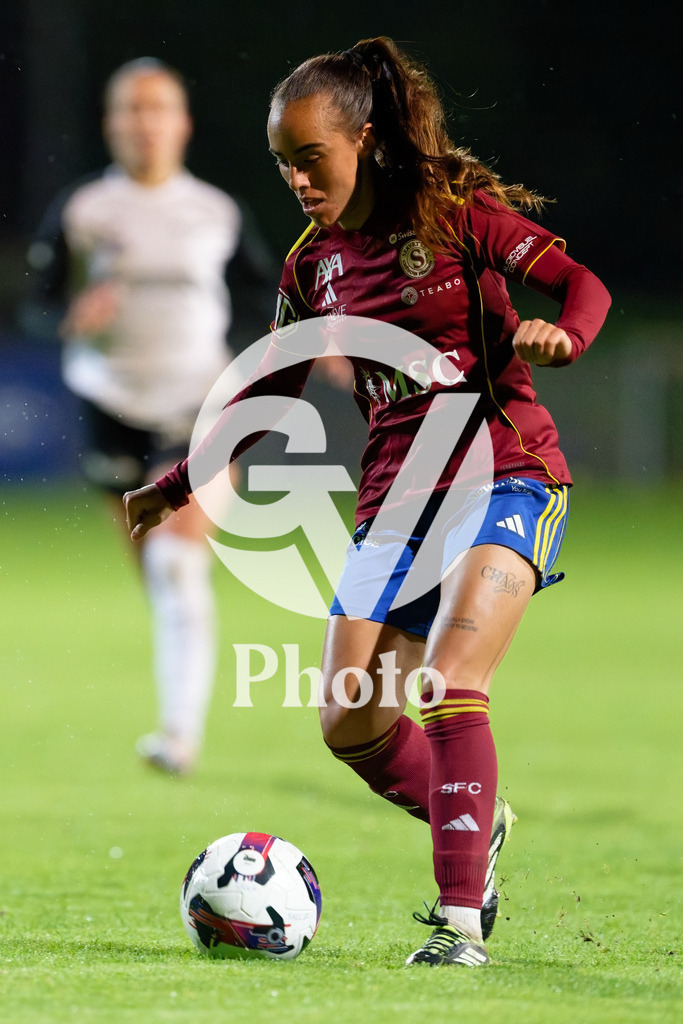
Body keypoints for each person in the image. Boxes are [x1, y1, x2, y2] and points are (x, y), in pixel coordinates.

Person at [122, 38, 611, 966]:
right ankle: (475, 816)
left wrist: (566, 334)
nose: (297, 180)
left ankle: (459, 920)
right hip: (395, 503)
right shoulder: (311, 268)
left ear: (365, 139)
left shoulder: (459, 215)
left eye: (311, 158)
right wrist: (179, 485)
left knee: (449, 685)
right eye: (283, 163)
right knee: (349, 718)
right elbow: (268, 393)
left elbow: (581, 284)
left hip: (506, 473)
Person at [28, 57, 276, 776]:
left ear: (181, 123)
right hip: (110, 407)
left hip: (199, 405)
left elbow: (266, 294)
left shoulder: (215, 212)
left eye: (156, 107)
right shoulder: (83, 211)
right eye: (129, 110)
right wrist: (70, 317)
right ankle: (178, 721)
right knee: (157, 573)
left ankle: (179, 738)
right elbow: (36, 306)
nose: (143, 122)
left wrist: (302, 341)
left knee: (176, 563)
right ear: (111, 125)